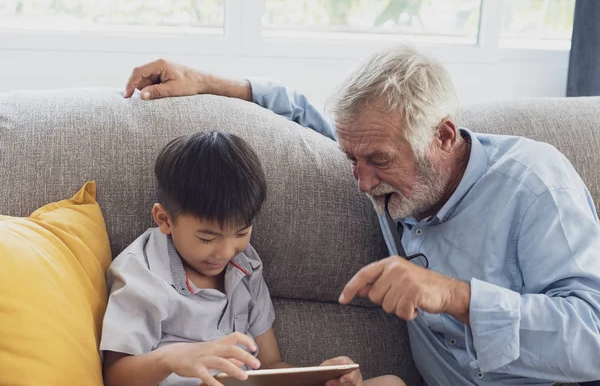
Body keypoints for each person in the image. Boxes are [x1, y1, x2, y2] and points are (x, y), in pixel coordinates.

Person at [122, 45, 600, 385]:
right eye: (354, 160)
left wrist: (456, 296)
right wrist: (209, 83)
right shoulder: (383, 168)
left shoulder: (536, 187)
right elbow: (304, 117)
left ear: (444, 137)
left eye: (379, 161)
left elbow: (592, 337)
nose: (363, 183)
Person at [100, 131, 404, 386]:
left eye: (241, 232)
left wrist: (319, 376)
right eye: (207, 238)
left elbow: (270, 364)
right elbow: (115, 375)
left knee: (391, 383)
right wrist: (173, 359)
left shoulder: (246, 266)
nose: (225, 252)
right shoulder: (142, 273)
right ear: (165, 220)